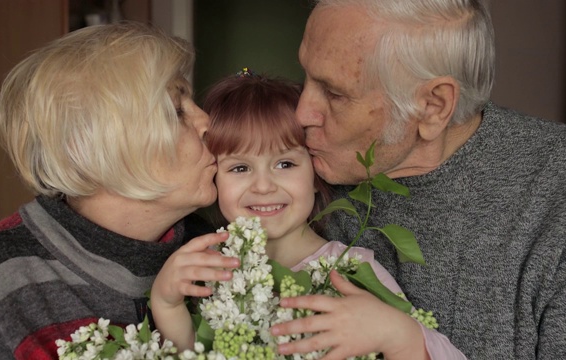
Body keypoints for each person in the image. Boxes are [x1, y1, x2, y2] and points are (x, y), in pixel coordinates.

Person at [269, 0, 566, 359]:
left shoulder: (558, 199)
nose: (301, 113)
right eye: (304, 74)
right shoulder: (286, 169)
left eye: (334, 93)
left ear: (433, 106)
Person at [0, 22, 228, 359]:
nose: (207, 122)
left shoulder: (214, 247)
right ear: (94, 147)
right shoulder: (3, 281)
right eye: (176, 111)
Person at [149, 70, 465, 359]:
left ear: (315, 175)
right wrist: (167, 304)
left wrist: (395, 332)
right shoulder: (207, 265)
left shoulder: (350, 271)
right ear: (213, 176)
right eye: (240, 168)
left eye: (285, 164)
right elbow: (194, 352)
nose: (263, 186)